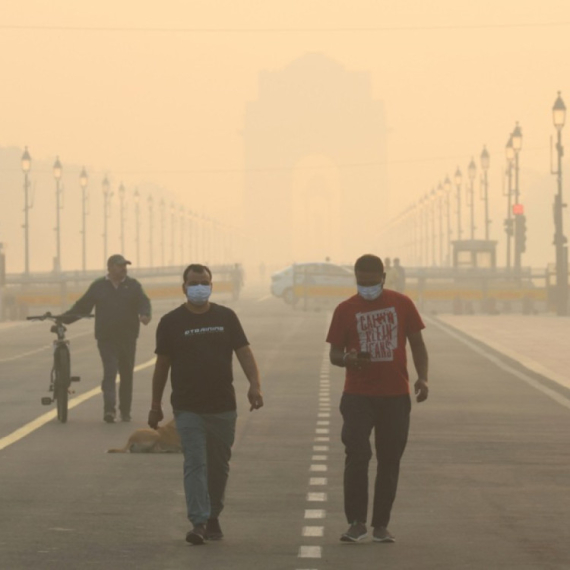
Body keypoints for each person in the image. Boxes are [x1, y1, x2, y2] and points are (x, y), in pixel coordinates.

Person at [148, 263, 263, 545]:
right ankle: (198, 521)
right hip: (188, 408)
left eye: (204, 282)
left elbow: (244, 353)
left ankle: (213, 516)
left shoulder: (226, 317)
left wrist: (254, 385)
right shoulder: (171, 322)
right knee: (195, 464)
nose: (199, 286)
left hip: (223, 406)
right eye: (193, 282)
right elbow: (162, 365)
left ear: (211, 285)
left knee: (218, 466)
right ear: (184, 286)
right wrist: (155, 404)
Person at [326, 254, 428, 544]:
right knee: (357, 456)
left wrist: (423, 377)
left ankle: (381, 524)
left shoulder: (402, 304)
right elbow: (334, 353)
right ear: (355, 278)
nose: (366, 287)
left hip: (395, 396)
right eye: (361, 282)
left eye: (372, 282)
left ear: (383, 278)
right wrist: (347, 358)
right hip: (357, 396)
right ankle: (356, 522)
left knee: (389, 460)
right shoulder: (345, 309)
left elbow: (418, 344)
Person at [63, 254, 151, 423]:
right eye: (120, 265)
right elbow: (83, 306)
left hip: (128, 337)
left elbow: (143, 302)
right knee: (110, 372)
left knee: (126, 374)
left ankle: (125, 411)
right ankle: (109, 410)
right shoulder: (99, 286)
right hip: (106, 338)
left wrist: (145, 314)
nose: (124, 268)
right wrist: (64, 319)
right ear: (110, 267)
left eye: (125, 265)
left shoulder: (133, 286)